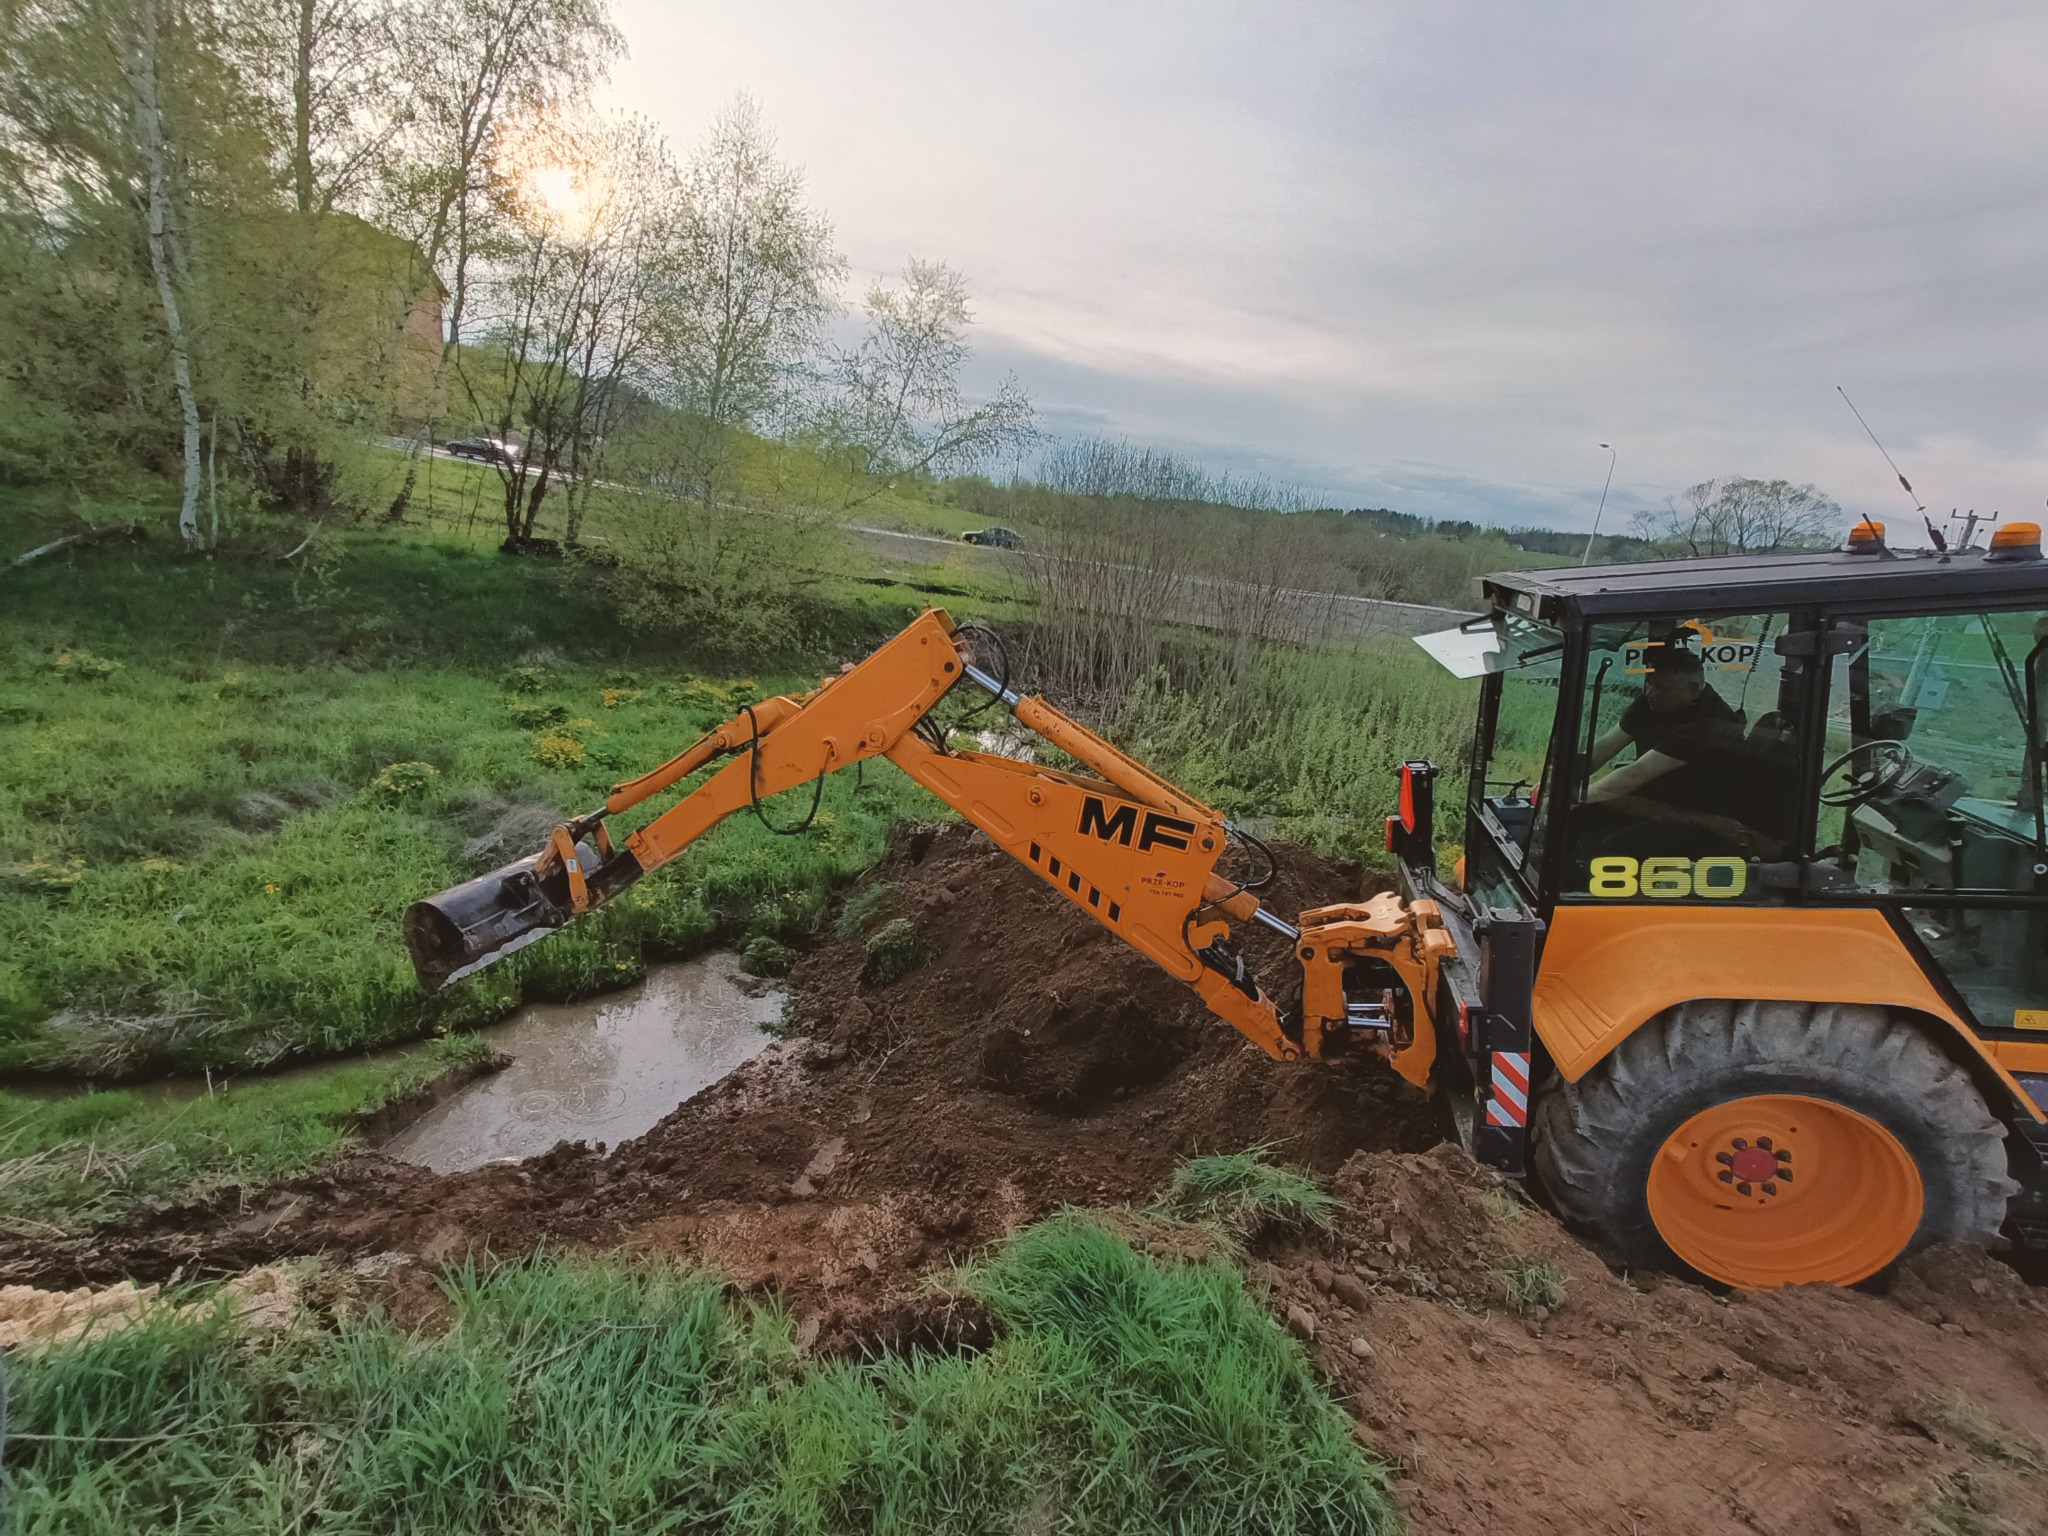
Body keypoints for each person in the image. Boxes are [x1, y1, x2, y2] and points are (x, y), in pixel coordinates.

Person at [1581, 645, 1764, 856]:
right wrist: (1562, 779)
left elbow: (1635, 773)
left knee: (1615, 847)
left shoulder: (1709, 724)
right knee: (1581, 818)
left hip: (1700, 815)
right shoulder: (1654, 702)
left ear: (1693, 689)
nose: (1651, 693)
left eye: (1661, 688)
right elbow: (1605, 746)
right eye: (1649, 684)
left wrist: (1573, 797)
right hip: (1659, 801)